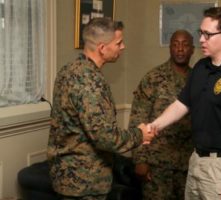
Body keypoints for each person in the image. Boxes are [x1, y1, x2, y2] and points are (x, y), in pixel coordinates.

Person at [148, 6, 221, 200]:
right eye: (201, 33)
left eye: (207, 34)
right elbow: (181, 104)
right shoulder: (201, 67)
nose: (201, 39)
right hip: (197, 160)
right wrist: (154, 126)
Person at [47, 17, 155, 200]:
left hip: (67, 177)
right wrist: (139, 134)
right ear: (102, 48)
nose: (123, 47)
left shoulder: (68, 70)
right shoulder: (89, 81)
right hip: (84, 182)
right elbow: (105, 137)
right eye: (118, 43)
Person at [129, 30, 195, 200]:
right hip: (157, 163)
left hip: (188, 163)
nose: (180, 49)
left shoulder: (198, 79)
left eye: (185, 44)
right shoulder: (153, 78)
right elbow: (138, 119)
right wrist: (140, 159)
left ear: (193, 49)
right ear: (170, 48)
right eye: (175, 44)